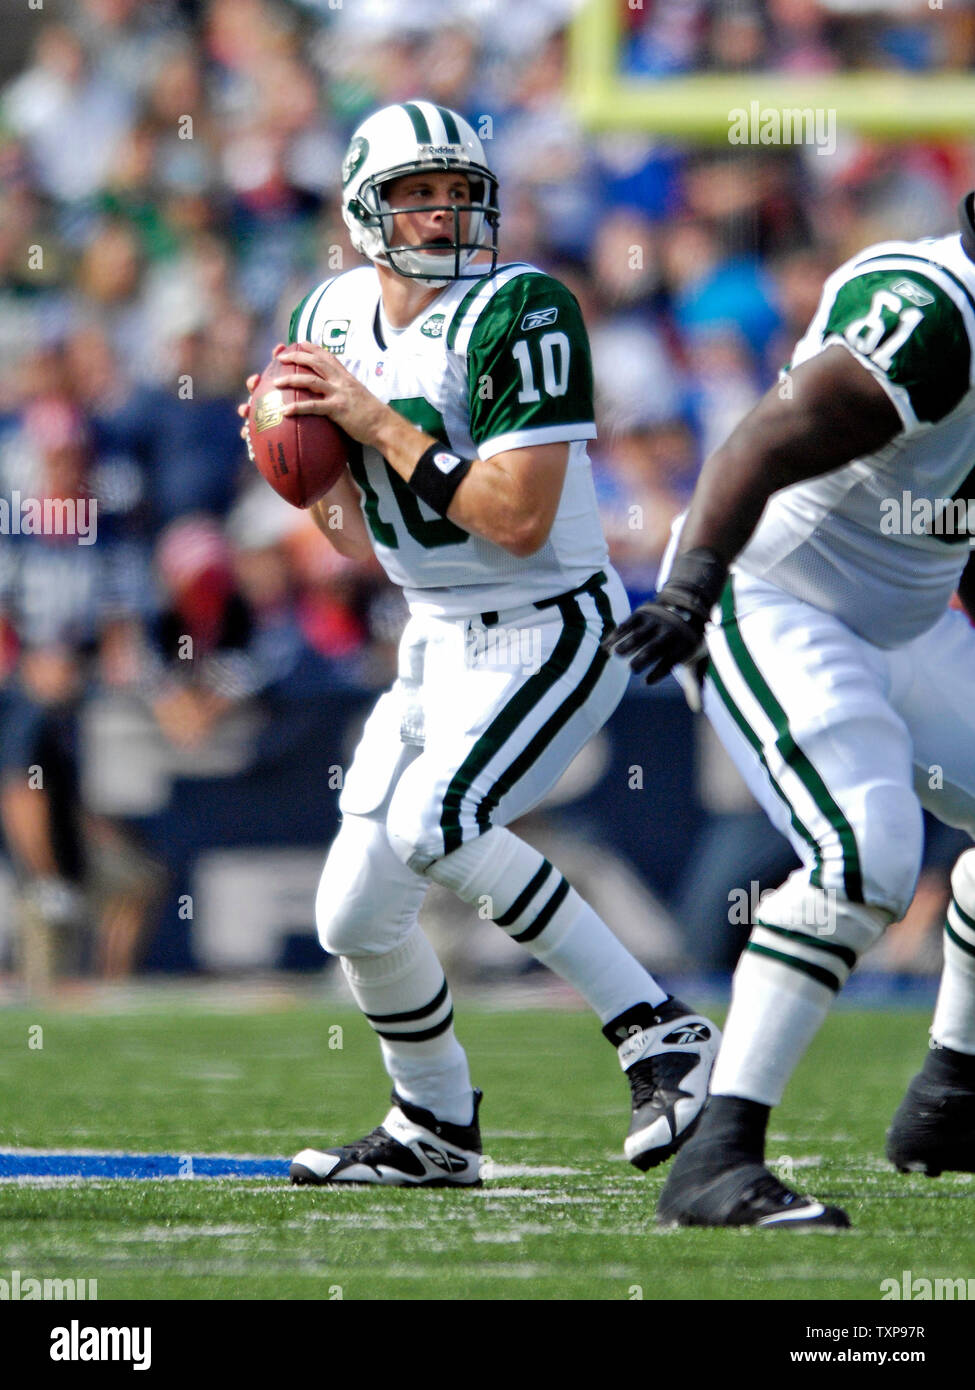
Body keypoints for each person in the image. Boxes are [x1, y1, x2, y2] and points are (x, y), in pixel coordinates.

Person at [240, 101, 719, 1186]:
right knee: (353, 913)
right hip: (439, 635)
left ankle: (661, 1032)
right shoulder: (327, 312)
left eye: (460, 190)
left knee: (440, 823)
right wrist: (302, 478)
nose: (445, 212)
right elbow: (372, 539)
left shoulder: (521, 309)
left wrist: (369, 421)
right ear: (366, 209)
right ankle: (434, 1125)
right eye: (419, 192)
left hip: (554, 624)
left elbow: (515, 517)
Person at [604, 193, 975, 1227]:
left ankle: (953, 1094)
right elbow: (759, 443)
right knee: (867, 848)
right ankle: (718, 1155)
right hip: (770, 593)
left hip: (903, 622)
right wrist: (686, 592)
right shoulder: (936, 312)